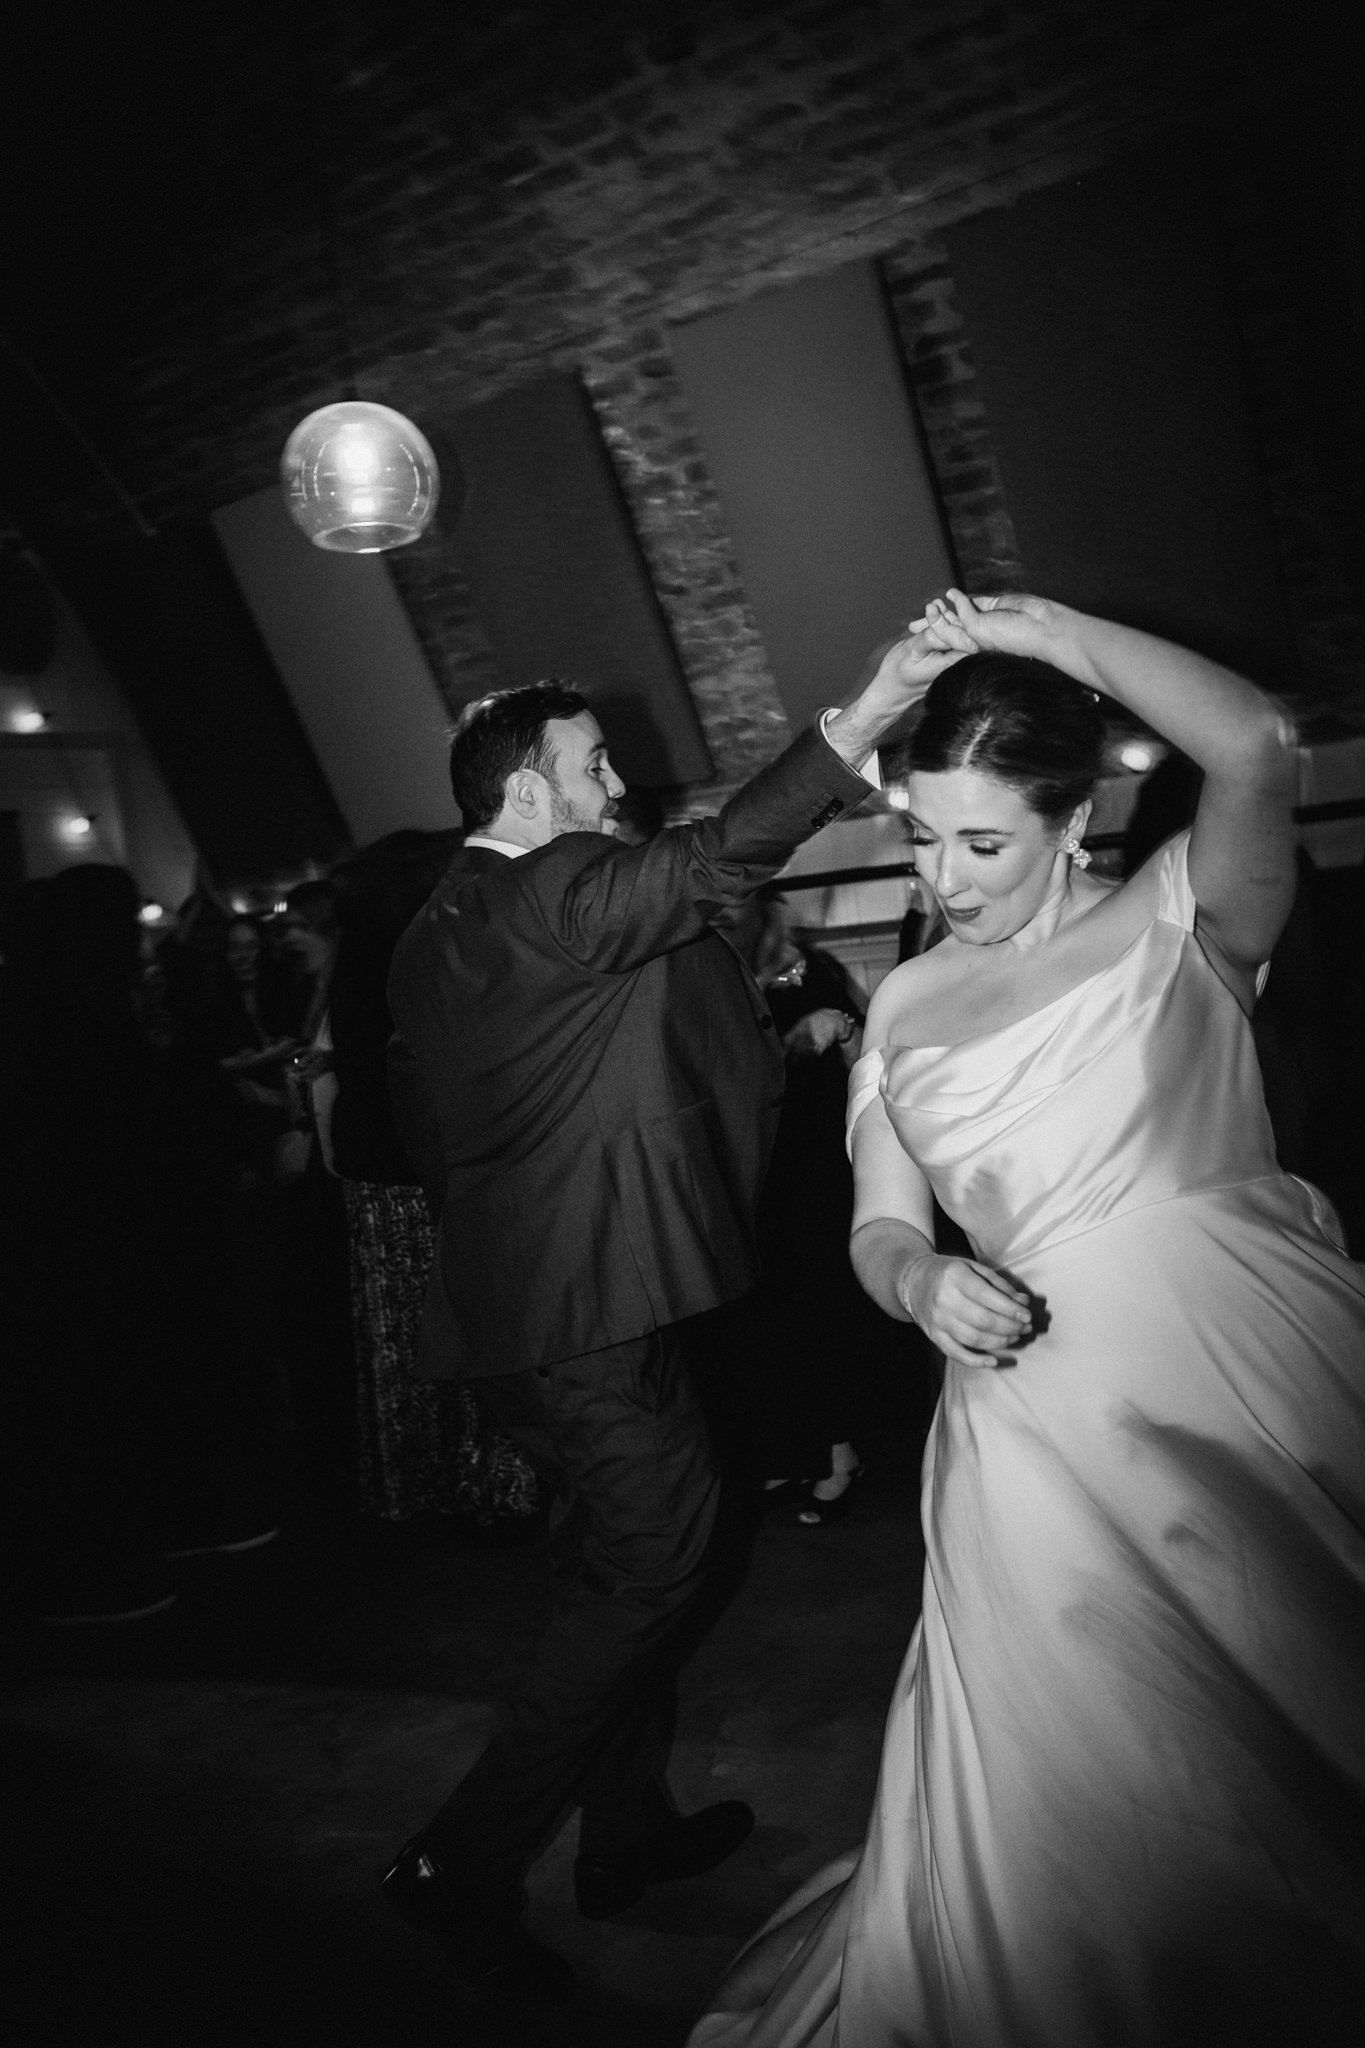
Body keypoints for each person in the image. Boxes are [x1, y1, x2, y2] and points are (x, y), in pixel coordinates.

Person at [689, 589, 1365, 2047]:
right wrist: (921, 1280)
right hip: (1035, 1449)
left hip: (1260, 1393)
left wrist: (1046, 630)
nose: (946, 874)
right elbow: (877, 1223)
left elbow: (1253, 737)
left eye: (981, 840)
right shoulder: (907, 1003)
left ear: (1072, 820)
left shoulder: (1187, 918)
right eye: (922, 834)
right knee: (1086, 1773)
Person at [381, 637, 949, 2004]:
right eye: (593, 765)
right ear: (526, 795)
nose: (617, 781)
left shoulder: (439, 919)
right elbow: (710, 863)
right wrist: (863, 715)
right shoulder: (554, 888)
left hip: (525, 1306)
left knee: (616, 1569)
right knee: (660, 1559)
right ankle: (456, 1863)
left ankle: (625, 1835)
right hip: (584, 1313)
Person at [326, 828, 539, 1526]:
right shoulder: (422, 955)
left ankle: (416, 1484)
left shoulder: (355, 957)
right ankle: (494, 1486)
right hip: (430, 1164)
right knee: (471, 1323)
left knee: (401, 1337)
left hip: (375, 1163)